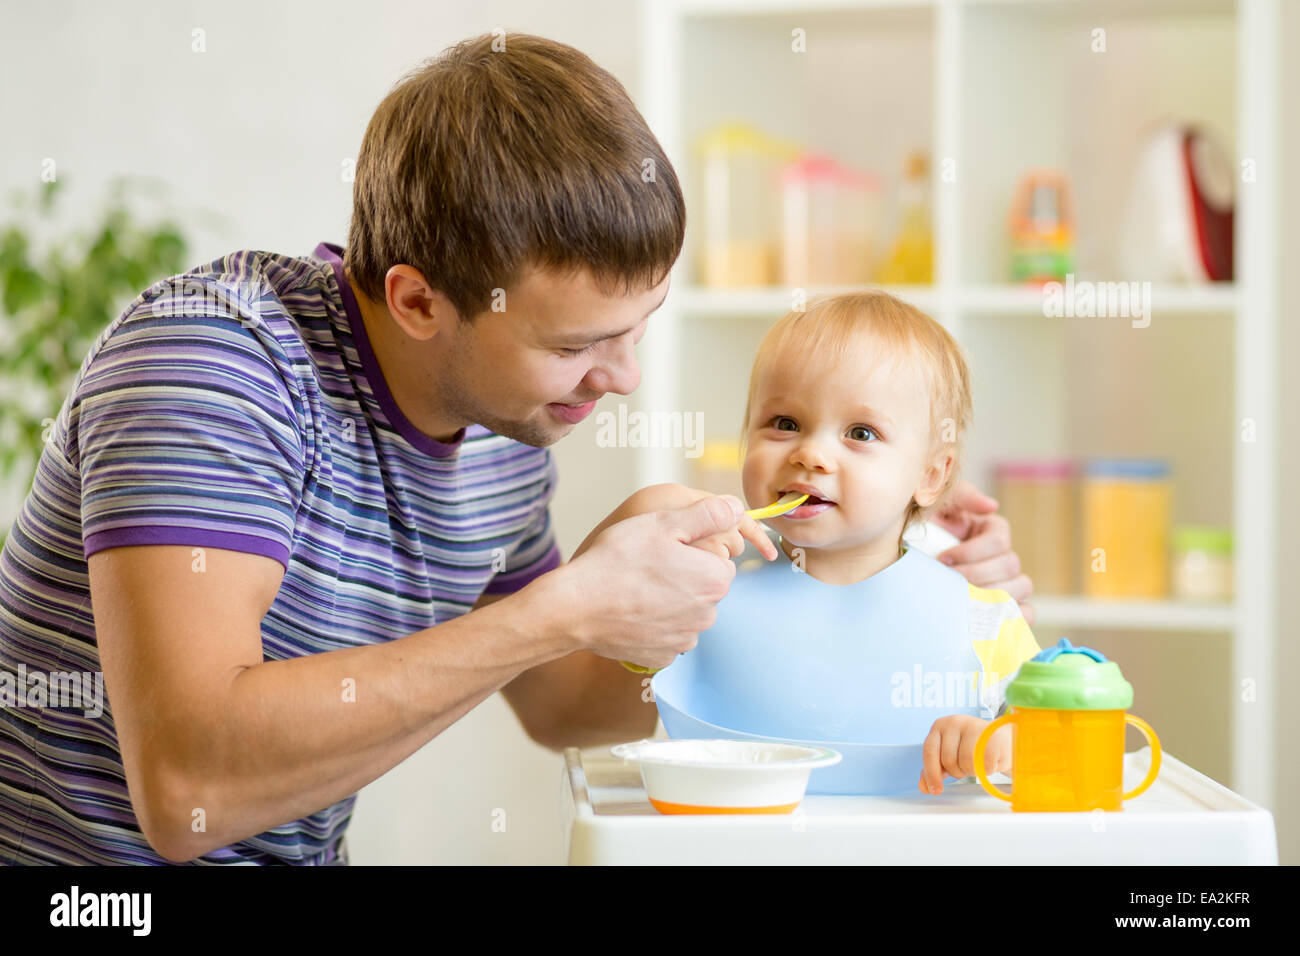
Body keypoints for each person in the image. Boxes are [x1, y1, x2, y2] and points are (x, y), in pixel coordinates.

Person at [0, 33, 1031, 865]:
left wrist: (845, 577)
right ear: (417, 300)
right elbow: (188, 793)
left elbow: (558, 705)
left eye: (640, 324)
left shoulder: (505, 432)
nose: (622, 376)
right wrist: (571, 603)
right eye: (578, 344)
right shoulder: (214, 360)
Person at [632, 291, 1041, 795]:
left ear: (932, 474)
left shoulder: (983, 619)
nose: (811, 454)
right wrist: (651, 540)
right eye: (785, 424)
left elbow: (1061, 745)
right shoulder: (697, 594)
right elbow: (617, 636)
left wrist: (999, 741)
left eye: (861, 433)